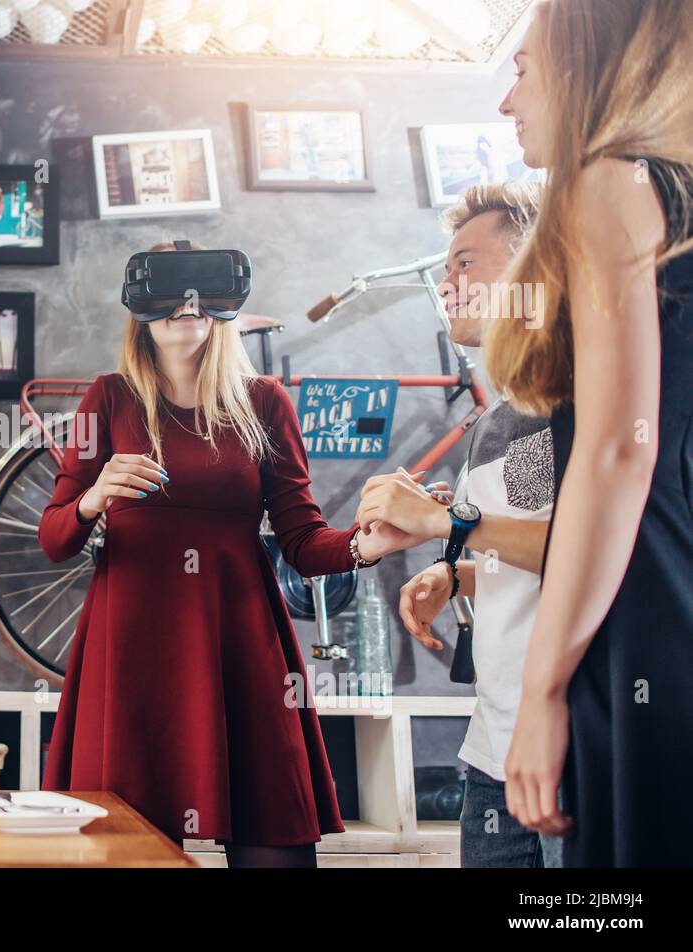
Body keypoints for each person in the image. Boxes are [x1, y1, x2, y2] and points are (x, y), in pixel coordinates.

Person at [37, 241, 414, 868]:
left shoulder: (264, 401)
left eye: (201, 292)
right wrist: (92, 498)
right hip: (133, 645)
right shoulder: (106, 399)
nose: (185, 306)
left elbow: (301, 539)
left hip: (239, 638)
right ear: (139, 310)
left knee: (274, 842)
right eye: (167, 292)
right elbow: (54, 538)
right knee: (128, 852)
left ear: (225, 307)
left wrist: (362, 546)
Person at [484, 0, 693, 866]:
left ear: (586, 62)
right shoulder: (673, 190)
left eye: (525, 68)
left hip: (645, 609)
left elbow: (618, 446)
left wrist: (542, 686)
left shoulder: (611, 180)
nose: (509, 100)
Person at [355, 181, 563, 867]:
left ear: (533, 265)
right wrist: (458, 571)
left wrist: (447, 523)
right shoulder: (508, 416)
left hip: (564, 757)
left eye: (466, 262)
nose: (447, 281)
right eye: (447, 266)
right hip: (491, 755)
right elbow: (540, 546)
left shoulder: (577, 400)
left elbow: (599, 557)